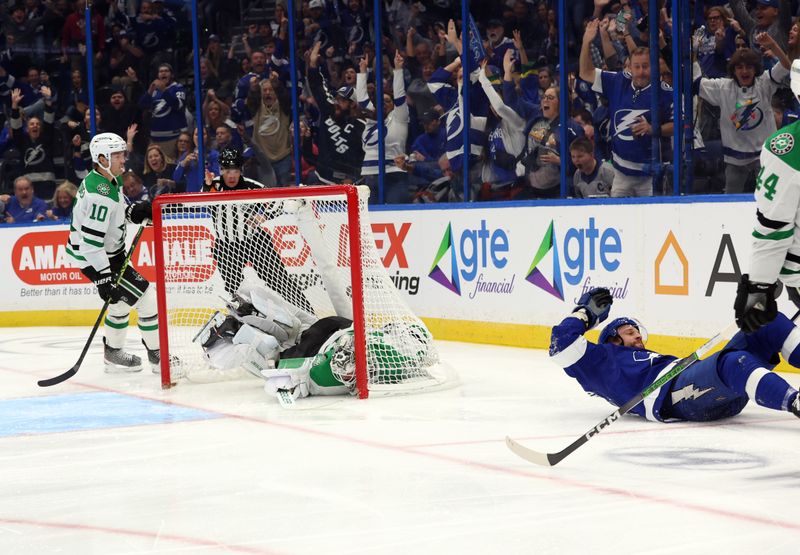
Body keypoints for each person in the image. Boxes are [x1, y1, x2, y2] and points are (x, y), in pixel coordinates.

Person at [551, 287, 800, 423]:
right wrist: (585, 313)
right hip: (679, 397)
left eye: (637, 331)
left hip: (705, 387)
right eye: (629, 332)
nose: (638, 336)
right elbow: (561, 344)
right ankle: (795, 401)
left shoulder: (645, 357)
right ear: (613, 340)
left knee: (764, 322)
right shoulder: (602, 361)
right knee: (734, 362)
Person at [195, 273, 434, 404]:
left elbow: (286, 383)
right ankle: (237, 325)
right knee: (282, 343)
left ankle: (237, 325)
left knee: (284, 339)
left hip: (333, 332)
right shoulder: (396, 357)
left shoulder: (391, 353)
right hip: (332, 335)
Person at [66, 132, 169, 373]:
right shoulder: (98, 195)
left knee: (121, 304)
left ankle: (113, 354)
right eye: (117, 155)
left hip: (107, 254)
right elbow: (91, 244)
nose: (123, 160)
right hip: (96, 257)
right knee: (148, 299)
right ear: (102, 159)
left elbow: (119, 209)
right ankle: (158, 358)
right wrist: (104, 278)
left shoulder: (108, 179)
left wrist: (134, 212)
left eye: (123, 154)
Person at [735, 59, 800, 334]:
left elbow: (773, 226)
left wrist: (759, 285)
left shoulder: (789, 148)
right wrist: (759, 284)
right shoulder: (789, 150)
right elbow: (774, 225)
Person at [202, 147, 311, 311]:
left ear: (241, 169)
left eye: (235, 170)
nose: (231, 175)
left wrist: (264, 216)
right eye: (227, 170)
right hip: (226, 246)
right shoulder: (213, 185)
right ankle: (243, 321)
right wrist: (209, 186)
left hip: (255, 242)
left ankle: (307, 312)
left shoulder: (251, 185)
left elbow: (278, 202)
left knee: (280, 281)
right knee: (234, 289)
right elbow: (208, 201)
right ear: (221, 169)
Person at [579, 20, 673, 197]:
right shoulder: (619, 81)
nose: (640, 71)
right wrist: (586, 42)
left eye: (645, 66)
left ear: (655, 67)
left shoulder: (665, 92)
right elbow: (585, 72)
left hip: (651, 175)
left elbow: (681, 125)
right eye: (636, 66)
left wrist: (654, 129)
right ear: (629, 66)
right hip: (621, 173)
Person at [694, 33, 790, 194]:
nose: (744, 71)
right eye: (739, 67)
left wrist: (772, 45)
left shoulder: (765, 83)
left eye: (749, 67)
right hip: (735, 159)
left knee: (772, 197)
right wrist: (693, 56)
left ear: (755, 69)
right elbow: (696, 83)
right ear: (733, 70)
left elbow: (787, 66)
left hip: (764, 156)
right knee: (730, 199)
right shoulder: (723, 87)